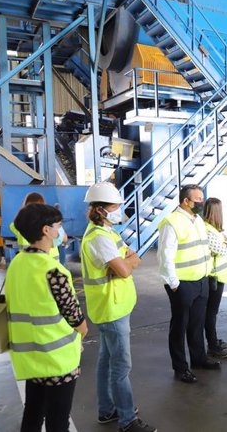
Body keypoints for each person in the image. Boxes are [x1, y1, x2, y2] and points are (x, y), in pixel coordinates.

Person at [80, 182, 156, 432]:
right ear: (101, 210)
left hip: (113, 306)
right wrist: (128, 261)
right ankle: (127, 420)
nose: (119, 210)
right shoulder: (99, 238)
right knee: (121, 367)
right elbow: (125, 267)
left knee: (106, 361)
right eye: (115, 206)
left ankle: (107, 410)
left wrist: (128, 259)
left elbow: (132, 256)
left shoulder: (110, 233)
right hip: (110, 309)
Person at [6, 204, 88, 432]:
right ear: (46, 230)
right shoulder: (53, 270)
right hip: (57, 360)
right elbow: (73, 314)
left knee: (33, 413)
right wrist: (82, 330)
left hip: (31, 358)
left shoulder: (16, 264)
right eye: (59, 226)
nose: (61, 230)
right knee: (58, 419)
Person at [158, 184, 219, 384]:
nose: (202, 202)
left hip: (201, 281)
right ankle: (180, 367)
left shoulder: (197, 220)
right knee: (179, 326)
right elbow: (165, 256)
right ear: (186, 201)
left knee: (196, 324)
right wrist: (174, 284)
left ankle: (199, 359)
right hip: (182, 284)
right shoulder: (172, 222)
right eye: (198, 199)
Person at [203, 198, 227, 359]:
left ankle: (213, 340)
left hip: (217, 276)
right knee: (210, 313)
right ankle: (212, 345)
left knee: (211, 312)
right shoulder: (208, 230)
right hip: (213, 277)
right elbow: (222, 249)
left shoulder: (214, 229)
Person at [9, 192, 65, 262]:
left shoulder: (15, 263)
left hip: (27, 260)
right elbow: (63, 238)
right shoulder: (52, 270)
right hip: (50, 260)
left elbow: (14, 224)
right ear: (46, 230)